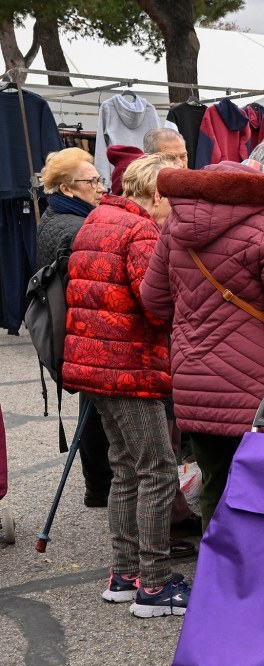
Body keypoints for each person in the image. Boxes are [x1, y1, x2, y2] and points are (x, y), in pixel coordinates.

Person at [141, 134, 264, 527]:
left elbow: (155, 300)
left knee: (216, 492)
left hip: (196, 387)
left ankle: (219, 584)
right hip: (262, 392)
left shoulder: (182, 214)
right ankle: (263, 586)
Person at [62, 153, 191, 617]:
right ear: (156, 194)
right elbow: (155, 303)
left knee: (126, 468)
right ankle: (153, 585)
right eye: (172, 203)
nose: (173, 213)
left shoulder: (99, 217)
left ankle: (125, 573)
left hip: (95, 363)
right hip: (128, 366)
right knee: (156, 469)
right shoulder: (141, 231)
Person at [32, 148, 115, 507]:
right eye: (92, 180)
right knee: (97, 412)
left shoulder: (56, 215)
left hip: (74, 331)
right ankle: (100, 486)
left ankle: (98, 485)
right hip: (84, 332)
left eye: (99, 179)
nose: (100, 186)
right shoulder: (77, 227)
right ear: (67, 188)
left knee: (93, 409)